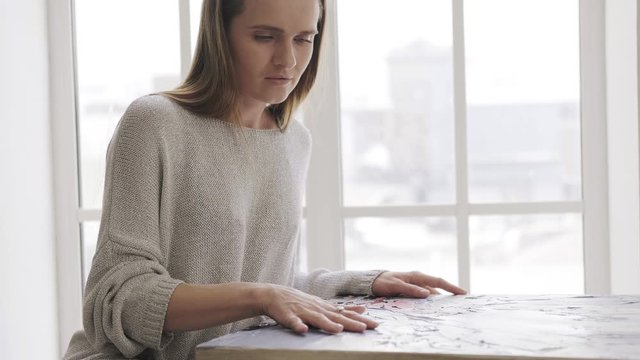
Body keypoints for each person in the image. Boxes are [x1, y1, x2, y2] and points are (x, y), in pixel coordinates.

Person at [63, 0, 466, 359]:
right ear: (220, 35)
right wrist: (262, 295)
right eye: (264, 37)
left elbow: (273, 283)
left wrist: (366, 282)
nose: (288, 60)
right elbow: (117, 297)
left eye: (304, 39)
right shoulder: (154, 123)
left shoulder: (292, 140)